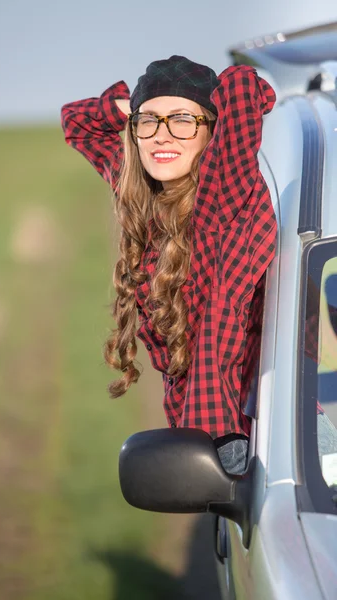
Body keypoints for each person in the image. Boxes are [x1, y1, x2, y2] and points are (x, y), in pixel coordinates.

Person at [61, 56, 277, 475]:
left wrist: (172, 106)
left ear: (213, 130)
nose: (163, 136)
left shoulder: (223, 198)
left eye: (182, 120)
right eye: (150, 122)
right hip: (195, 440)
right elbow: (77, 122)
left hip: (235, 441)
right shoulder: (144, 196)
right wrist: (135, 107)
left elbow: (243, 86)